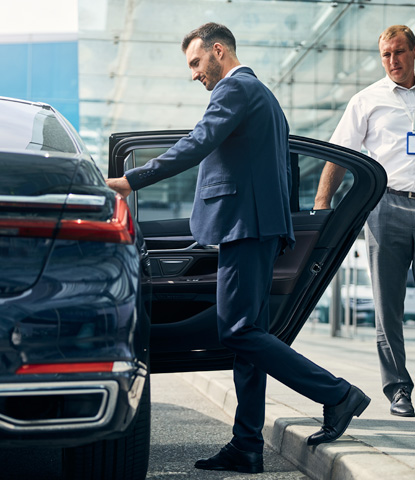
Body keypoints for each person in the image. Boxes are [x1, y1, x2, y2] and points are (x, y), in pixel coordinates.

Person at [107, 22, 370, 473]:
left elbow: (197, 143)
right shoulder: (263, 97)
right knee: (249, 340)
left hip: (245, 228)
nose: (194, 74)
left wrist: (131, 180)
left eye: (195, 63)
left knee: (238, 333)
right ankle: (247, 444)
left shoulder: (235, 90)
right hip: (253, 227)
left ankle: (338, 393)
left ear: (218, 50)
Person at [314, 24, 415, 418]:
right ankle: (399, 390)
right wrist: (323, 208)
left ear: (413, 52)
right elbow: (339, 154)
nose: (393, 61)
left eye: (400, 52)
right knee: (387, 304)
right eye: (386, 54)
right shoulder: (366, 100)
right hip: (386, 208)